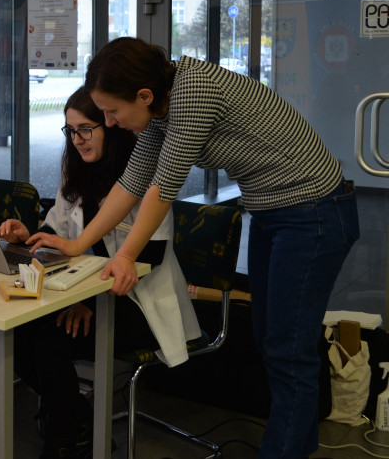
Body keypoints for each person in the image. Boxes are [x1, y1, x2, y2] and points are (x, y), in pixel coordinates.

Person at [34, 37, 358, 459]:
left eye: (112, 111)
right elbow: (133, 180)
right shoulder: (161, 107)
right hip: (273, 211)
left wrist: (126, 254)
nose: (109, 123)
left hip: (313, 210)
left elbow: (162, 188)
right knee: (272, 339)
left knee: (287, 347)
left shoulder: (194, 92)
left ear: (144, 96)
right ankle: (295, 445)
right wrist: (78, 243)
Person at [0, 87, 200, 459]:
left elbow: (149, 255)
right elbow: (61, 234)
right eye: (70, 131)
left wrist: (88, 300)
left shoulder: (146, 175)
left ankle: (63, 443)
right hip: (86, 294)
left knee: (49, 341)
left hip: (139, 301)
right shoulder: (74, 172)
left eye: (86, 129)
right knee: (20, 331)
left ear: (112, 126)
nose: (77, 140)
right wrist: (30, 236)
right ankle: (77, 419)